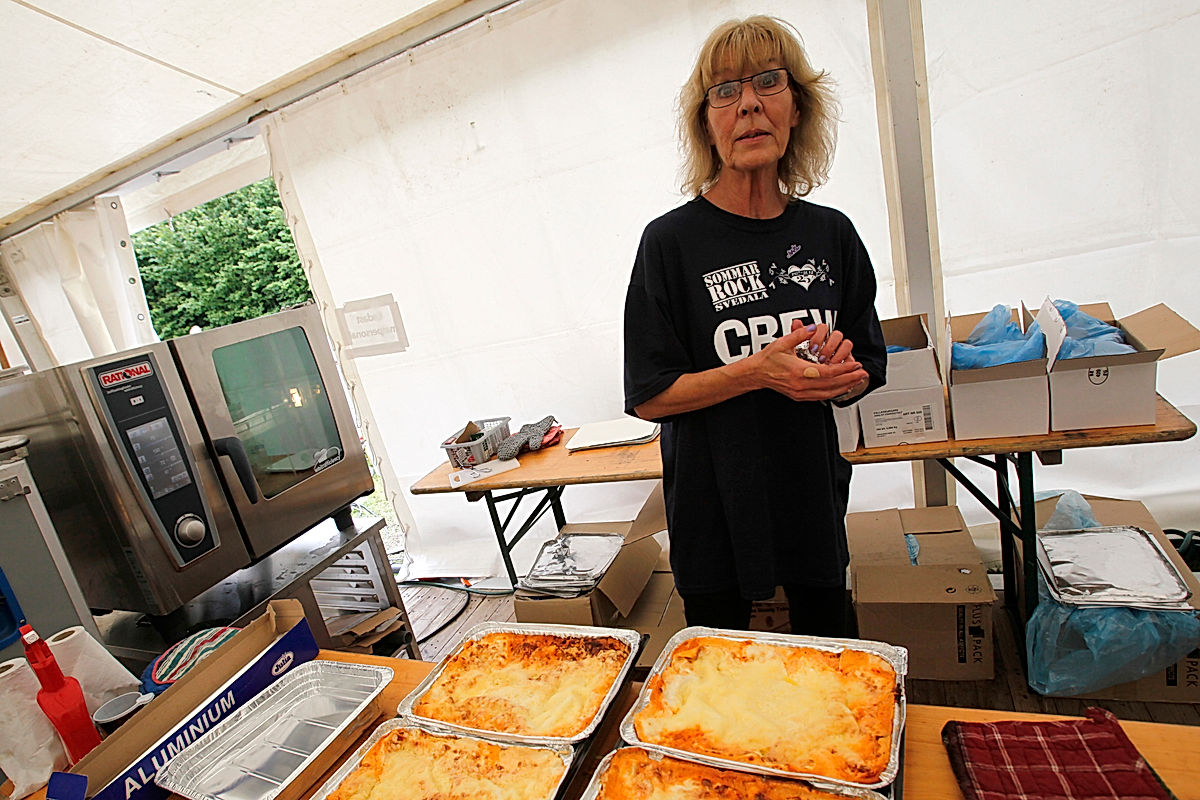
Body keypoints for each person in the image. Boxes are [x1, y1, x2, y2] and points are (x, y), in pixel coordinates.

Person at [622, 15, 887, 636]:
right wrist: (759, 373)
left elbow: (868, 363)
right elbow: (650, 395)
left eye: (768, 82)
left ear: (796, 108)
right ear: (707, 124)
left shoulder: (831, 233)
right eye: (725, 91)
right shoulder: (669, 244)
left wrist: (841, 376)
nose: (748, 104)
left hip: (811, 494)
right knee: (718, 673)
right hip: (712, 503)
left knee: (829, 657)